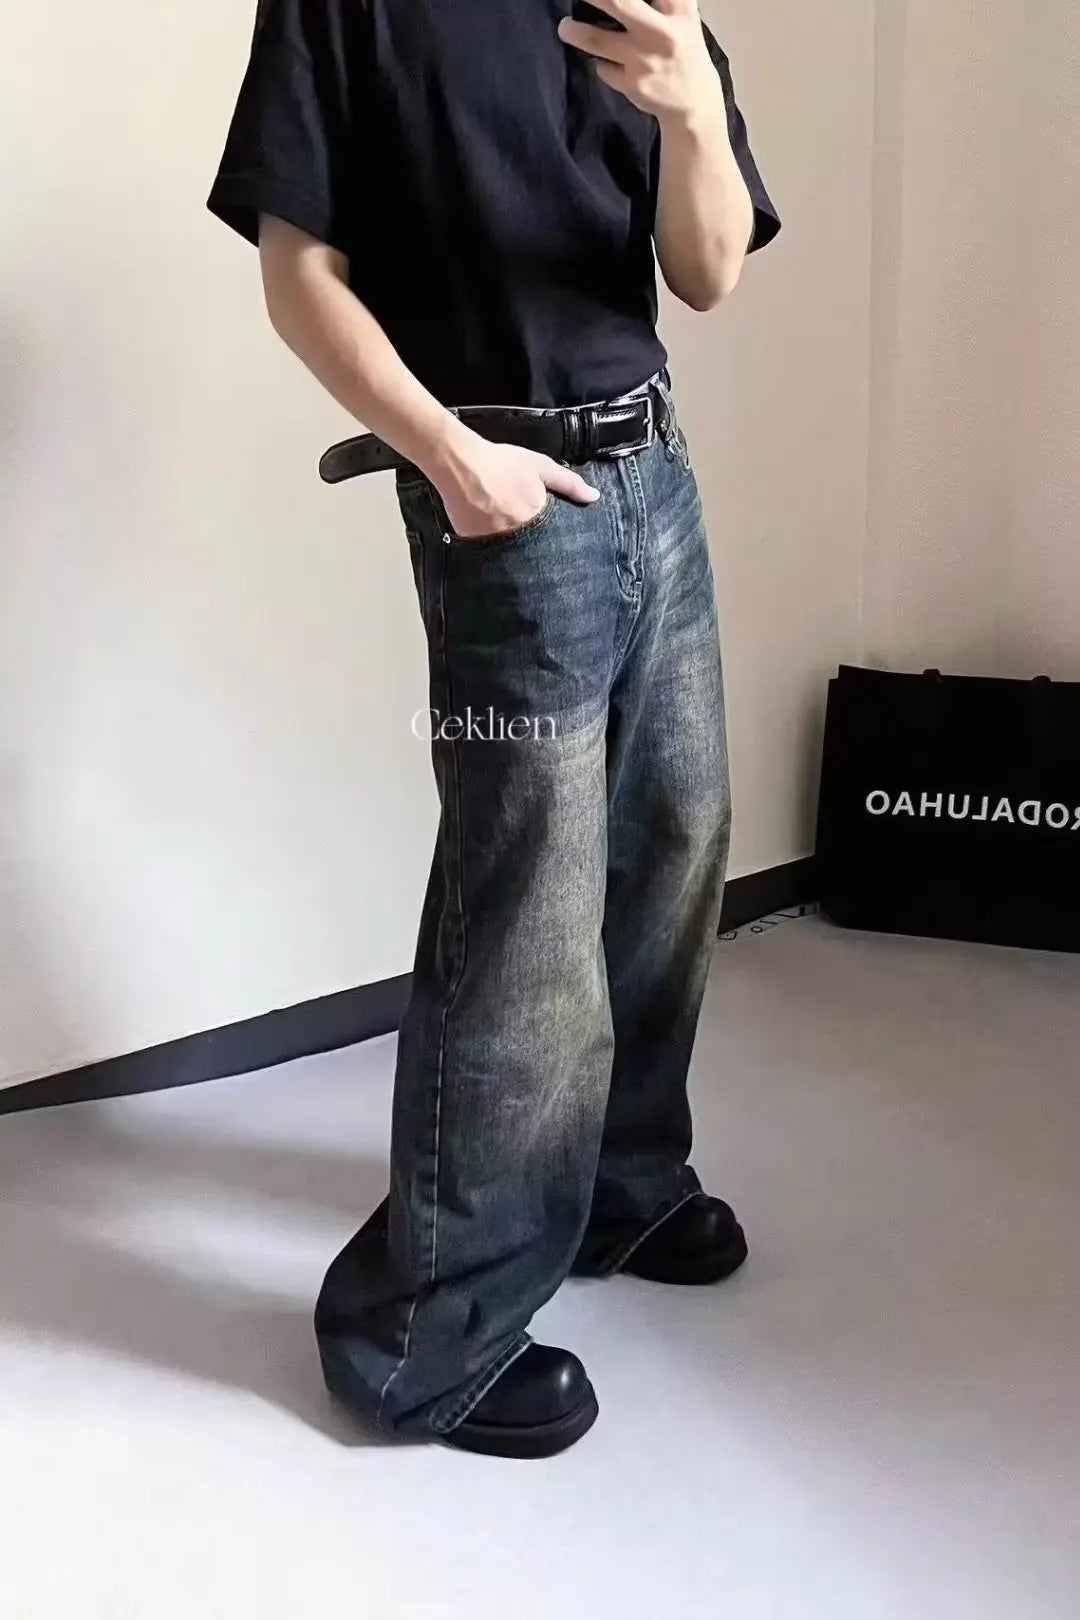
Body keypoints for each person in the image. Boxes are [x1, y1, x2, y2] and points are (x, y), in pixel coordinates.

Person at [208, 0, 780, 1458]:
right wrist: (453, 458)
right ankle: (423, 1336)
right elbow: (299, 274)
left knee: (676, 839)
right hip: (504, 498)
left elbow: (708, 271)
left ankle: (618, 1184)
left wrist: (692, 109)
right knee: (523, 905)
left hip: (654, 463)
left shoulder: (637, 0)